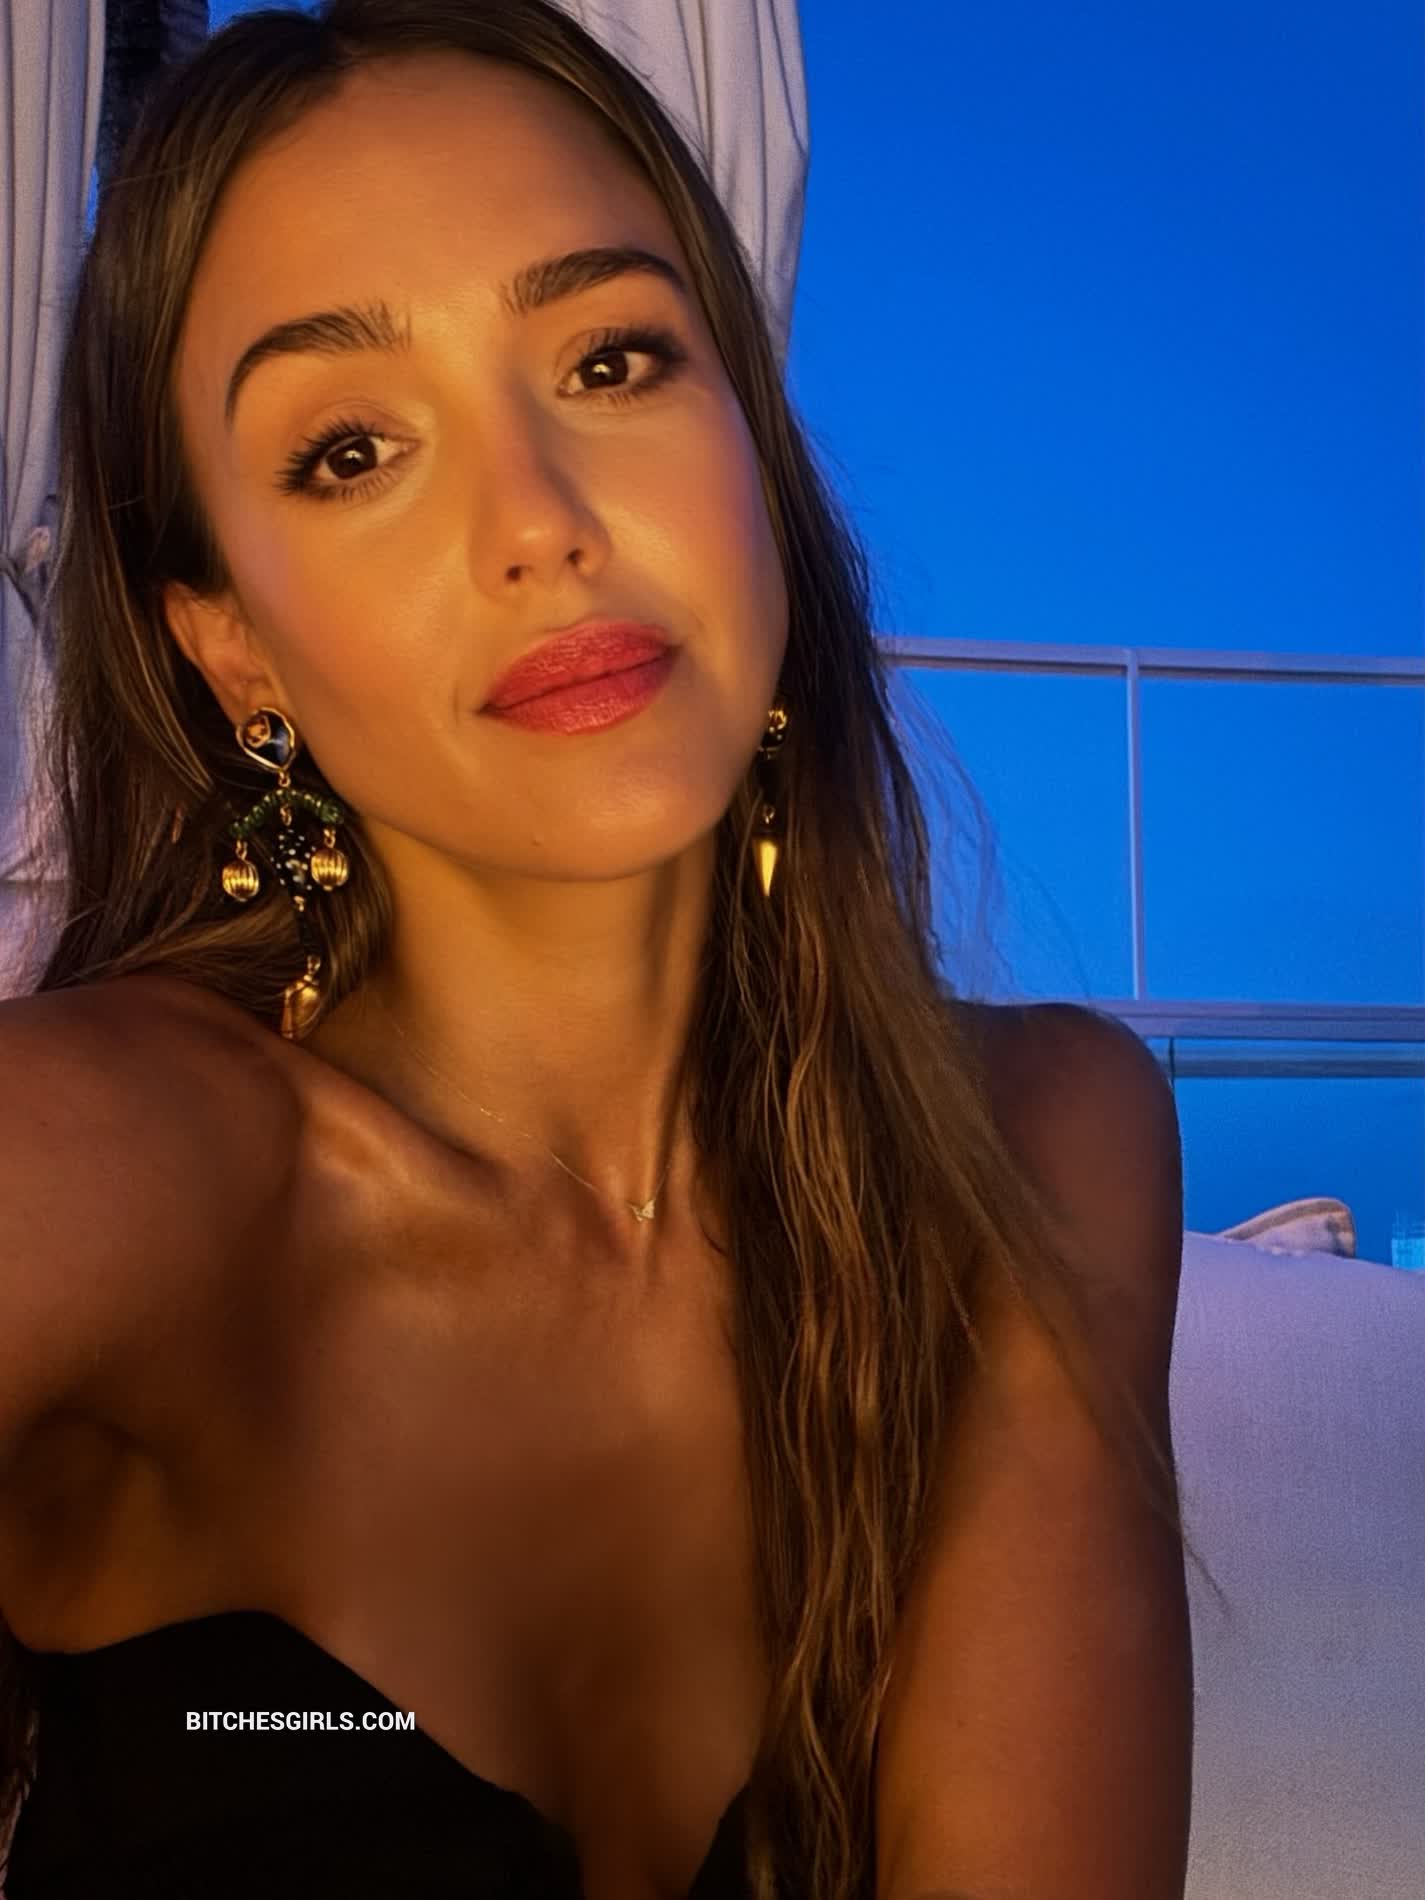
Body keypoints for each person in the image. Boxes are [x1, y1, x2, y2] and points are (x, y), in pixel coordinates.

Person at [0, 3, 1217, 1897]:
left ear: (751, 447)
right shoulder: (103, 1159)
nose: (539, 526)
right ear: (229, 645)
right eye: (351, 450)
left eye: (609, 358)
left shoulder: (1038, 1147)